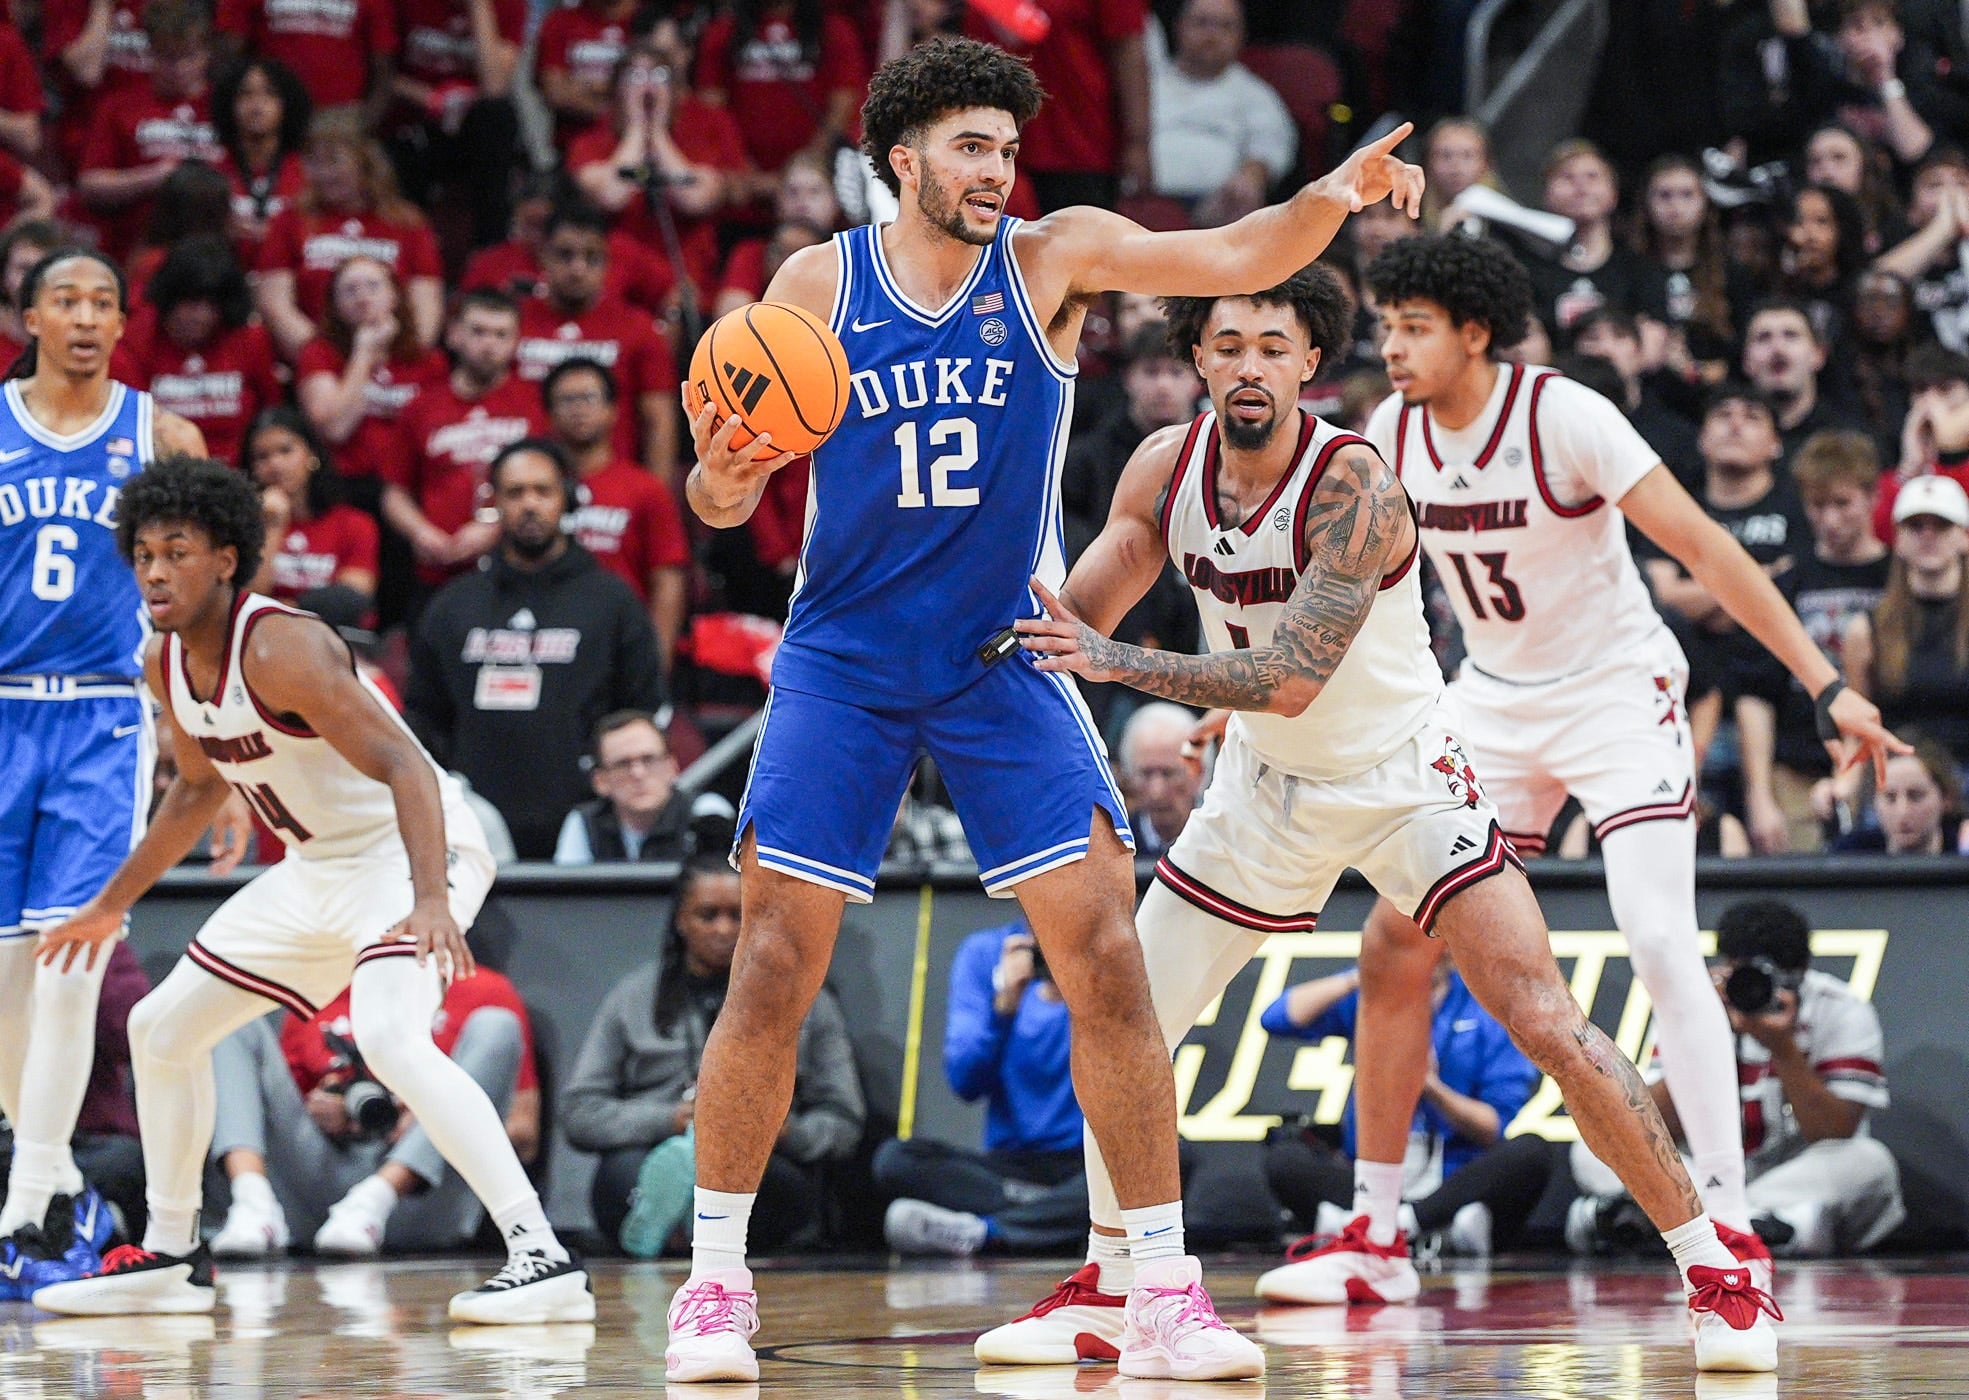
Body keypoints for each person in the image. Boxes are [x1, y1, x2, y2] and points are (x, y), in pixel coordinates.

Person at [672, 37, 1426, 1385]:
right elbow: (721, 498)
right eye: (972, 147)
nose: (996, 171)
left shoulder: (1051, 257)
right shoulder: (812, 286)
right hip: (842, 658)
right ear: (900, 159)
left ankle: (1163, 1291)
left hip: (998, 654)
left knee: (1107, 961)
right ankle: (714, 1288)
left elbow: (1239, 254)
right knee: (772, 967)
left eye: (1008, 150)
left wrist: (1334, 194)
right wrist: (722, 484)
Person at [1010, 255, 1888, 1371]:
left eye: (1273, 346)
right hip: (1267, 786)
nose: (1247, 366)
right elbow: (1072, 617)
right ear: (1192, 355)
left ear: (1311, 363)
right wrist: (990, 611)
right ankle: (1116, 1276)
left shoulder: (1357, 482)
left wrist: (1114, 660)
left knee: (1543, 1012)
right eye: (1226, 344)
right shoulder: (1160, 469)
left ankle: (1711, 1256)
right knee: (1124, 1007)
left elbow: (1284, 675)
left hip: (1403, 773)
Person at [1335, 237, 1898, 1309]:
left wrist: (1825, 685)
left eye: (1410, 326)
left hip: (1614, 689)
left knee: (1653, 931)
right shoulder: (1389, 431)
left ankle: (1727, 1220)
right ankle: (1371, 1225)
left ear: (1472, 331)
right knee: (1393, 936)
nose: (1389, 346)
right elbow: (1353, 594)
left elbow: (1710, 551)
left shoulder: (1563, 416)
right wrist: (1269, 698)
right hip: (1491, 699)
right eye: (1385, 325)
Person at [29, 456, 590, 1325]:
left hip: (409, 850)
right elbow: (195, 789)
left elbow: (408, 764)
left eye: (174, 551)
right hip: (318, 867)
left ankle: (541, 1255)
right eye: (141, 554)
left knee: (392, 1037)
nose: (152, 571)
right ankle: (175, 1251)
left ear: (226, 558)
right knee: (161, 1027)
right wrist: (112, 901)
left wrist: (433, 899)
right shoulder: (164, 661)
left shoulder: (282, 644)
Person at [0, 249, 220, 1299]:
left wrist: (199, 732)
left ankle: (30, 1198)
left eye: (103, 303)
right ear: (27, 313)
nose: (86, 318)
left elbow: (203, 598)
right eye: (66, 300)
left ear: (123, 323)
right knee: (9, 977)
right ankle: (53, 1184)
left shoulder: (159, 437)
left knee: (69, 953)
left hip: (101, 713)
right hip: (0, 708)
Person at [560, 855, 863, 1253]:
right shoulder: (632, 998)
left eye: (737, 915)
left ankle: (688, 1222)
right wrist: (668, 1119)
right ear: (681, 921)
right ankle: (674, 1211)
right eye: (708, 915)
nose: (724, 929)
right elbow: (580, 1112)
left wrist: (780, 1128)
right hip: (654, 1147)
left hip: (764, 1159)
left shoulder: (807, 999)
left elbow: (844, 1121)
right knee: (622, 1174)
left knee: (767, 1179)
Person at [1571, 900, 1906, 1259]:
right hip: (1704, 1173)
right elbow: (1655, 1124)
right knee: (1593, 1148)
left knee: (1871, 1164)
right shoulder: (1693, 1004)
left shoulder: (1841, 1009)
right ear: (1723, 967)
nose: (1753, 987)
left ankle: (1684, 1223)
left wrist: (1782, 1048)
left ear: (1803, 972)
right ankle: (1770, 1228)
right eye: (1741, 974)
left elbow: (1832, 1130)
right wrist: (1700, 1036)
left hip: (1791, 1175)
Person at [406, 439, 664, 860]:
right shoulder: (453, 605)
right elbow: (424, 718)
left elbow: (641, 707)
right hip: (475, 825)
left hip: (585, 826)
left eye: (542, 491)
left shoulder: (612, 601)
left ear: (567, 499)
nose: (529, 504)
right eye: (515, 492)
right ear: (495, 503)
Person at [203, 966, 540, 1257]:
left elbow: (524, 1135)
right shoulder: (318, 988)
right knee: (230, 1018)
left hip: (421, 1196)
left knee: (497, 1025)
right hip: (321, 1188)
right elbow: (278, 1115)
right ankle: (252, 1202)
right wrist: (323, 1110)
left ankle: (375, 1199)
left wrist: (435, 1115)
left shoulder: (482, 988)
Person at [1259, 950, 1543, 1258]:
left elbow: (1491, 1127)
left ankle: (1390, 1226)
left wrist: (1429, 1086)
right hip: (1368, 1175)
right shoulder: (1373, 994)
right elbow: (1276, 1018)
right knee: (1285, 1155)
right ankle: (1424, 1230)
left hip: (1451, 1176)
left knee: (1532, 1152)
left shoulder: (1484, 1006)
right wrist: (1362, 976)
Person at [874, 919, 1092, 1257]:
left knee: (1172, 1160)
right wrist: (1004, 1006)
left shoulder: (1109, 948)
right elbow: (965, 1082)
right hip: (1009, 1168)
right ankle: (1054, 1214)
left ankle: (988, 1232)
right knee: (896, 1159)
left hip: (1093, 1161)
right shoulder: (986, 953)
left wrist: (1083, 1002)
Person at [1739, 431, 1892, 852]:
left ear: (1873, 499)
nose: (1830, 519)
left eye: (1842, 503)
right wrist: (1760, 796)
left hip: (1885, 765)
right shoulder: (1789, 583)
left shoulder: (1897, 579)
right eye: (1817, 505)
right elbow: (1756, 694)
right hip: (1796, 766)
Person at [381, 289, 546, 596]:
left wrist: (497, 527)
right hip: (439, 571)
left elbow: (555, 485)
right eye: (478, 331)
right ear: (454, 334)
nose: (489, 345)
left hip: (520, 567)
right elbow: (395, 492)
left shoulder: (536, 404)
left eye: (501, 335)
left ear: (516, 341)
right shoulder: (421, 406)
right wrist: (421, 532)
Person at [544, 357, 692, 673]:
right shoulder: (533, 490)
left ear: (614, 410)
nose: (577, 409)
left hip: (620, 645)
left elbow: (667, 582)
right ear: (550, 413)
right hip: (545, 642)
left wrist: (656, 664)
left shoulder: (646, 489)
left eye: (588, 398)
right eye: (566, 400)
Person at [514, 202, 680, 483]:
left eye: (591, 257)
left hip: (612, 492)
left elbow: (659, 422)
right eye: (565, 255)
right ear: (543, 256)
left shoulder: (638, 328)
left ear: (607, 262)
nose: (577, 269)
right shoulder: (514, 321)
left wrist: (655, 498)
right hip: (527, 484)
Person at [255, 122, 446, 360]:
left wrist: (393, 357)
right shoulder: (289, 220)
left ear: (364, 163)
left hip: (393, 360)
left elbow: (426, 308)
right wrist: (322, 357)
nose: (323, 173)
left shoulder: (408, 223)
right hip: (315, 363)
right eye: (314, 162)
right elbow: (276, 305)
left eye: (334, 162)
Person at [75, 0, 223, 261]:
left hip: (214, 250)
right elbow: (90, 182)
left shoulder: (225, 107)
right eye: (167, 57)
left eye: (188, 56)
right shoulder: (118, 106)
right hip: (136, 248)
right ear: (150, 53)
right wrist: (151, 178)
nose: (179, 69)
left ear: (207, 53)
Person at [115, 234, 280, 465]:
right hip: (161, 471)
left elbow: (273, 415)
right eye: (191, 303)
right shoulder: (135, 340)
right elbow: (127, 423)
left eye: (211, 305)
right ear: (170, 298)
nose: (201, 316)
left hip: (240, 472)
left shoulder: (249, 339)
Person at [1843, 473, 1969, 769]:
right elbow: (1858, 729)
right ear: (1897, 538)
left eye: (1942, 525)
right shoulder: (1865, 630)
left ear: (1964, 536)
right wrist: (1843, 782)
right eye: (1915, 525)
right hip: (1897, 779)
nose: (1928, 535)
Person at [380, 0, 524, 249]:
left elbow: (495, 85)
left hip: (474, 125)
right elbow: (381, 74)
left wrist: (479, 8)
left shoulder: (509, 5)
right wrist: (431, 99)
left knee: (498, 115)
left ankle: (489, 250)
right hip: (414, 118)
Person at [1147, 0, 1295, 227]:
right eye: (1202, 23)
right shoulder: (1146, 85)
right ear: (1179, 26)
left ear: (1241, 35)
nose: (1212, 35)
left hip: (1214, 214)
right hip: (1141, 204)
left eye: (1225, 26)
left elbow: (1270, 149)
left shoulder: (1256, 95)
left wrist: (1251, 176)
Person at [553, 710, 735, 866]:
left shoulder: (706, 813)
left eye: (649, 759)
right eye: (623, 764)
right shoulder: (584, 823)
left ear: (672, 767)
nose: (638, 773)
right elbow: (566, 900)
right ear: (600, 781)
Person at [245, 405, 379, 604]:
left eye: (285, 450)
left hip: (331, 633)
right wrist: (273, 525)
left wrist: (291, 609)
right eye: (262, 457)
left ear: (311, 454)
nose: (275, 464)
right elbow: (248, 598)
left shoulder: (355, 524)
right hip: (261, 634)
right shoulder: (243, 526)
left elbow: (353, 597)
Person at [214, 0, 392, 120]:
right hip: (269, 109)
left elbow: (383, 65)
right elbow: (228, 53)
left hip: (341, 115)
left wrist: (368, 119)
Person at [209, 57, 312, 264]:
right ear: (229, 103)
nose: (257, 106)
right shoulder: (210, 170)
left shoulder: (309, 171)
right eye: (246, 94)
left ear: (288, 104)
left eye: (270, 94)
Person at [1741, 300, 1863, 463]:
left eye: (1791, 335)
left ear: (1818, 354)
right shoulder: (1727, 444)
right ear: (1746, 361)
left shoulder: (1850, 440)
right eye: (1764, 338)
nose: (1778, 348)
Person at [1832, 734, 1968, 852]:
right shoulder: (1849, 853)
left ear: (1946, 798)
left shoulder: (1963, 849)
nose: (1902, 811)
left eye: (1916, 796)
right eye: (1890, 797)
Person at [1116, 701, 1203, 860]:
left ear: (1199, 773)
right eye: (1145, 774)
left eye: (1169, 774)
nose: (1157, 792)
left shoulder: (1225, 842)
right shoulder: (1113, 847)